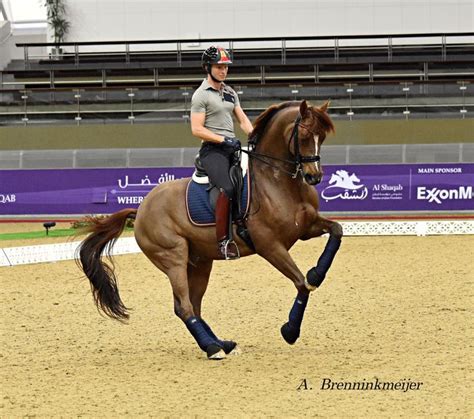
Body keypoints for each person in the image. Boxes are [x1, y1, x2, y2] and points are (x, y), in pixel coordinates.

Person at [190, 46, 254, 260]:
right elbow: (196, 129)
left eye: (225, 67)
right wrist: (223, 139)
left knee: (250, 181)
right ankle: (223, 241)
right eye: (219, 67)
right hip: (213, 151)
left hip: (232, 148)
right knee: (226, 187)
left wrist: (255, 137)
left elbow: (242, 120)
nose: (223, 71)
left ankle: (243, 226)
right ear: (207, 68)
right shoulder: (200, 95)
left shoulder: (230, 92)